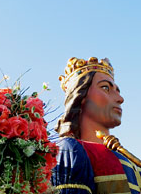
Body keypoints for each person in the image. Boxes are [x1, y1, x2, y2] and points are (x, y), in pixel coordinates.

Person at [51, 57, 141, 193]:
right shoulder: (70, 150)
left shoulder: (131, 160)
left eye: (118, 90)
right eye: (105, 87)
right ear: (80, 95)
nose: (120, 99)